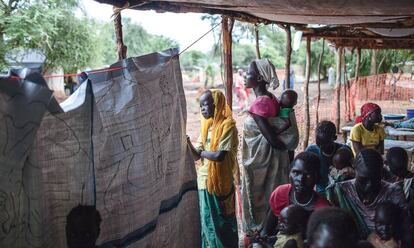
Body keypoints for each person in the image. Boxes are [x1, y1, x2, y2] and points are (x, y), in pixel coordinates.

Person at [239, 59, 299, 248]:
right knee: (271, 195)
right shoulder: (272, 98)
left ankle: (260, 234)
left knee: (262, 196)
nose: (244, 76)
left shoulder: (259, 105)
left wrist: (277, 135)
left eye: (248, 73)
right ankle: (267, 233)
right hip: (273, 159)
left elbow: (271, 139)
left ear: (258, 77)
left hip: (264, 162)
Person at [187, 89, 239, 248]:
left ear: (216, 106)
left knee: (223, 220)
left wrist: (202, 152)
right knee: (208, 222)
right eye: (201, 106)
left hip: (221, 182)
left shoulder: (227, 125)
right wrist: (187, 142)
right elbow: (197, 156)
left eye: (206, 105)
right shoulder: (206, 128)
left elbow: (219, 156)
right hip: (204, 181)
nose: (202, 109)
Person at [330, 149, 407, 238]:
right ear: (355, 170)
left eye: (375, 179)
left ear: (381, 173)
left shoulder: (393, 192)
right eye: (363, 180)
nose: (369, 186)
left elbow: (404, 226)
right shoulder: (341, 192)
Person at [260, 152, 330, 238]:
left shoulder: (322, 210)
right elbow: (267, 231)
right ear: (289, 173)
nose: (301, 179)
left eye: (308, 175)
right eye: (296, 173)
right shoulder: (281, 193)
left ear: (317, 178)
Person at [306, 121, 349, 194]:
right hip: (321, 193)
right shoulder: (312, 151)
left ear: (334, 138)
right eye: (318, 143)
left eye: (325, 143)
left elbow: (352, 176)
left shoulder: (344, 152)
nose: (321, 146)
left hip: (342, 193)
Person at [278, 90, 298, 162]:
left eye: (282, 99)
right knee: (291, 152)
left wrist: (277, 132)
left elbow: (287, 124)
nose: (280, 100)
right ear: (295, 103)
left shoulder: (284, 111)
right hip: (292, 140)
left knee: (288, 155)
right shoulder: (290, 110)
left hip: (288, 137)